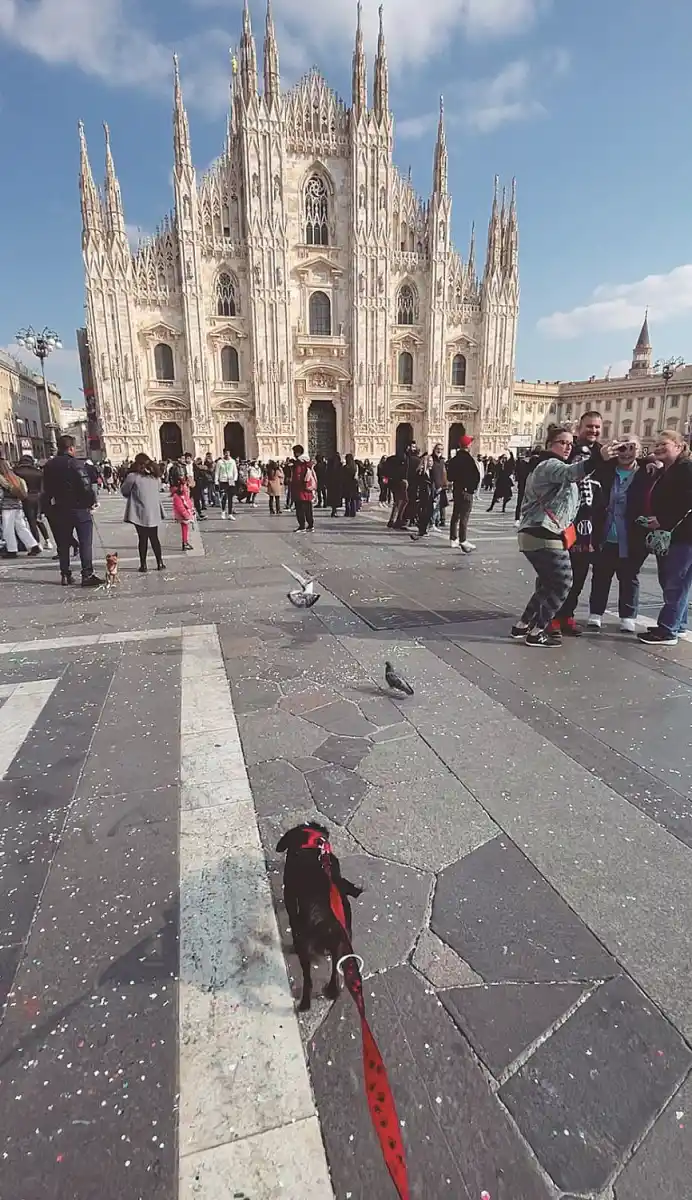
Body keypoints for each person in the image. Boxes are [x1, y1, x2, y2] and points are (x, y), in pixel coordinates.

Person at [511, 426, 617, 647]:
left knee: (548, 584)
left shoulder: (551, 466)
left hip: (539, 533)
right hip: (544, 533)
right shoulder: (550, 465)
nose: (568, 447)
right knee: (564, 583)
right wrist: (599, 458)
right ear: (550, 444)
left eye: (571, 443)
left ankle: (522, 626)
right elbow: (571, 473)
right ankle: (538, 631)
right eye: (563, 443)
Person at [586, 437, 651, 633]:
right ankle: (596, 613)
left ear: (639, 451)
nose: (626, 452)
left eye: (632, 448)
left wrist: (652, 461)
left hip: (632, 536)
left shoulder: (646, 474)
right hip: (605, 533)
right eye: (622, 448)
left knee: (629, 577)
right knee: (600, 575)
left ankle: (628, 616)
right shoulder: (605, 470)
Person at [637, 430, 692, 647]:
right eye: (657, 444)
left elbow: (686, 502)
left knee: (674, 583)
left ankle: (667, 630)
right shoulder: (669, 469)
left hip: (683, 536)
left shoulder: (686, 469)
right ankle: (677, 625)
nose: (658, 448)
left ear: (679, 446)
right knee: (680, 583)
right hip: (676, 534)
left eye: (664, 444)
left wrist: (663, 520)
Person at [553, 410, 603, 635]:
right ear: (579, 428)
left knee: (580, 571)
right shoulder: (569, 450)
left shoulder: (603, 453)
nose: (593, 430)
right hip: (569, 519)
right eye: (589, 426)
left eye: (597, 427)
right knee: (560, 571)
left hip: (591, 524)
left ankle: (567, 614)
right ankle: (551, 615)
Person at [42, 435, 103, 587]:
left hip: (60, 509)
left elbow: (46, 490)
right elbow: (86, 486)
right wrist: (91, 503)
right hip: (79, 509)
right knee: (85, 542)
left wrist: (49, 508)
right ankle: (87, 574)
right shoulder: (76, 464)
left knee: (63, 543)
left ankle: (65, 574)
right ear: (71, 448)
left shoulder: (49, 465)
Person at [121, 453, 166, 572]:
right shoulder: (156, 477)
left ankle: (143, 565)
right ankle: (160, 562)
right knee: (154, 537)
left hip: (139, 512)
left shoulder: (133, 476)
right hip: (153, 511)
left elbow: (124, 491)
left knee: (142, 539)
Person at [0, 457, 41, 559]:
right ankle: (34, 545)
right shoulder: (15, 477)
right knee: (21, 527)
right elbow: (24, 489)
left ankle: (12, 550)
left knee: (8, 528)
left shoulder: (2, 478)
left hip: (7, 505)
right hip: (18, 504)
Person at [447, 435, 480, 551]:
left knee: (455, 514)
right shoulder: (469, 459)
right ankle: (463, 540)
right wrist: (472, 488)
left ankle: (453, 539)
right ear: (468, 445)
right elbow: (476, 476)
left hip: (457, 490)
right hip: (467, 492)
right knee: (464, 516)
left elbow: (450, 476)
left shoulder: (454, 459)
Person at [14, 452, 52, 549]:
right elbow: (42, 488)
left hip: (25, 497)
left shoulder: (16, 471)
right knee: (38, 520)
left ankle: (36, 543)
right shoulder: (38, 472)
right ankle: (47, 541)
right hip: (37, 497)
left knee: (29, 521)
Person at [290, 445, 317, 532]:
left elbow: (298, 477)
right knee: (308, 508)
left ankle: (302, 526)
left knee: (300, 508)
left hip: (300, 490)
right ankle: (310, 525)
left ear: (297, 453)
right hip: (307, 490)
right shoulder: (308, 462)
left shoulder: (299, 463)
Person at [171, 475, 195, 551]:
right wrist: (186, 514)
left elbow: (188, 501)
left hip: (185, 512)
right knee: (184, 527)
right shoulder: (178, 495)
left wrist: (191, 509)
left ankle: (185, 542)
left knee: (185, 527)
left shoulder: (182, 493)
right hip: (183, 513)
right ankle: (184, 543)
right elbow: (180, 507)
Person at [215, 450, 238, 520]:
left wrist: (234, 479)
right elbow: (217, 472)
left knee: (230, 498)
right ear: (224, 454)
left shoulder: (232, 461)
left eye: (228, 453)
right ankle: (223, 512)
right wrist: (216, 481)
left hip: (231, 481)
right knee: (224, 497)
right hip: (223, 481)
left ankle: (230, 513)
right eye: (226, 454)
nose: (227, 455)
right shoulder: (220, 462)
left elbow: (235, 471)